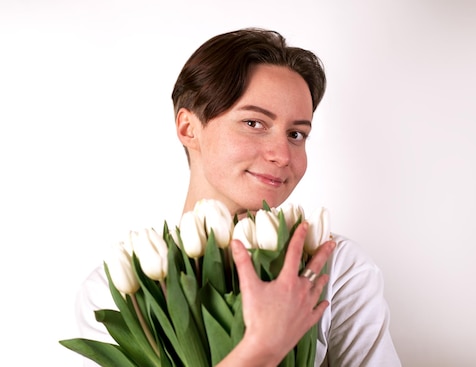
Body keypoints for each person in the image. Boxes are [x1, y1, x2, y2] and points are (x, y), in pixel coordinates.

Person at [75, 28, 401, 366]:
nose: (282, 155)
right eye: (254, 123)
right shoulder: (116, 289)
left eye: (296, 134)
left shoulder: (337, 266)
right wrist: (262, 347)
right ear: (189, 128)